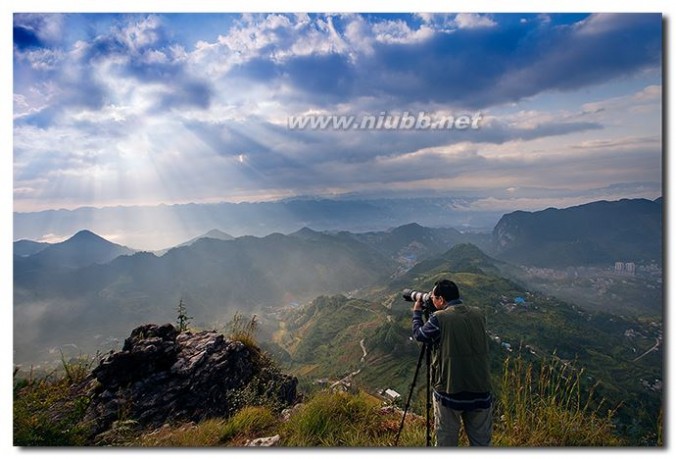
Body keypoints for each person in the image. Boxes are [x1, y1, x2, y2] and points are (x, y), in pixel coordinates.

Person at [411, 278, 492, 446]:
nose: (431, 299)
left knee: (446, 442)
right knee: (481, 443)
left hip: (450, 393)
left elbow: (420, 335)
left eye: (433, 297)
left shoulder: (440, 318)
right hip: (481, 390)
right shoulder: (479, 313)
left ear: (441, 300)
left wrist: (417, 313)